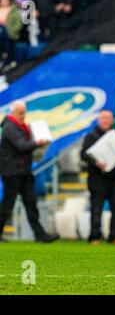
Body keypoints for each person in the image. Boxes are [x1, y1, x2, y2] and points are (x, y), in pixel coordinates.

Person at [0, 101, 59, 243]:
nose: (23, 116)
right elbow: (21, 146)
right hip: (12, 172)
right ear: (12, 112)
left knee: (30, 203)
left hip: (23, 172)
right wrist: (37, 143)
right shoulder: (9, 128)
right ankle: (40, 235)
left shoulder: (19, 127)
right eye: (20, 113)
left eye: (24, 112)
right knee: (8, 205)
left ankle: (40, 235)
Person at [80, 110, 115, 246]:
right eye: (103, 118)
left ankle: (114, 236)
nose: (106, 121)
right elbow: (83, 155)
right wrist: (95, 161)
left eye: (108, 118)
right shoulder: (90, 136)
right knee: (96, 208)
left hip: (114, 177)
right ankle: (94, 236)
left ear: (112, 120)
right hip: (96, 177)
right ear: (98, 120)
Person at [0, 0, 23, 66]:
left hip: (11, 35)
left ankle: (11, 61)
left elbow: (19, 24)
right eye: (3, 0)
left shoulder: (14, 10)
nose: (5, 1)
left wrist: (12, 31)